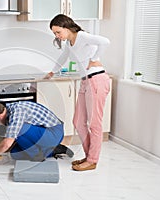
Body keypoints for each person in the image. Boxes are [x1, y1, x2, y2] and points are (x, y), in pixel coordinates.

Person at [45, 14, 110, 171]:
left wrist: (93, 58)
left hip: (96, 80)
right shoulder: (70, 43)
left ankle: (92, 160)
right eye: (54, 33)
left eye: (58, 32)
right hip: (85, 81)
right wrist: (52, 72)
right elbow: (63, 56)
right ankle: (88, 157)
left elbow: (105, 41)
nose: (57, 36)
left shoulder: (82, 36)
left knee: (94, 124)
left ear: (67, 28)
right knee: (78, 122)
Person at [0, 101, 74, 161]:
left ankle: (37, 155)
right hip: (44, 131)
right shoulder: (9, 109)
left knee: (20, 129)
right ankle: (53, 150)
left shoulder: (17, 113)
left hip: (54, 133)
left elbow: (6, 143)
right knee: (15, 154)